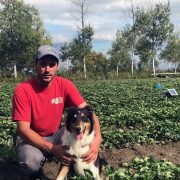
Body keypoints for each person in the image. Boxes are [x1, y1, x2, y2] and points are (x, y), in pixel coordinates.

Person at [12, 45, 102, 176]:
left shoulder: (65, 85)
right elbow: (23, 129)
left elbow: (89, 113)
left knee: (80, 140)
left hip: (55, 135)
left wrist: (98, 138)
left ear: (57, 66)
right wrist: (52, 149)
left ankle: (74, 169)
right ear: (35, 64)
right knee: (31, 163)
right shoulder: (23, 90)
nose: (47, 69)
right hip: (29, 138)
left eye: (51, 64)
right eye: (43, 64)